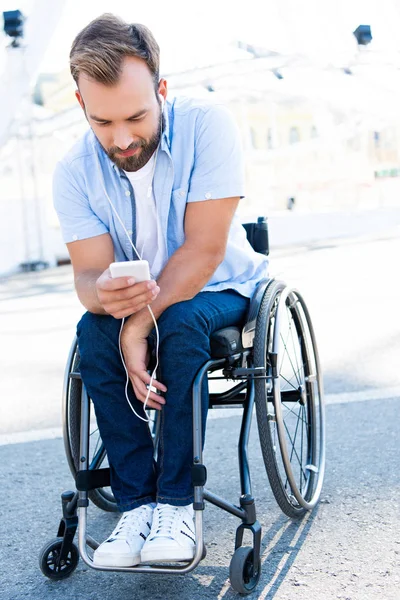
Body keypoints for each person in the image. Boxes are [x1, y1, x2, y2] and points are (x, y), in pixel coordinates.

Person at [53, 13, 268, 567]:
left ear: (162, 90)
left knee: (180, 320)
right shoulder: (74, 170)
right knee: (91, 331)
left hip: (222, 286)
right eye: (103, 123)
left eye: (135, 116)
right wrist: (105, 299)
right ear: (81, 106)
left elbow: (203, 251)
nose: (122, 140)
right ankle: (137, 503)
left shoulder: (207, 125)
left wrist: (140, 322)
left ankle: (176, 501)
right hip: (142, 302)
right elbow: (86, 276)